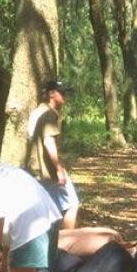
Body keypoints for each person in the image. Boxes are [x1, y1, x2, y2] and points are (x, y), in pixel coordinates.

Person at [26, 78, 80, 229]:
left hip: (37, 170)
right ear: (51, 94)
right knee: (72, 204)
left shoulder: (38, 111)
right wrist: (59, 169)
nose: (65, 96)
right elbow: (48, 142)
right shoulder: (49, 114)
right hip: (48, 172)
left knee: (49, 211)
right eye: (62, 93)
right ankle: (67, 244)